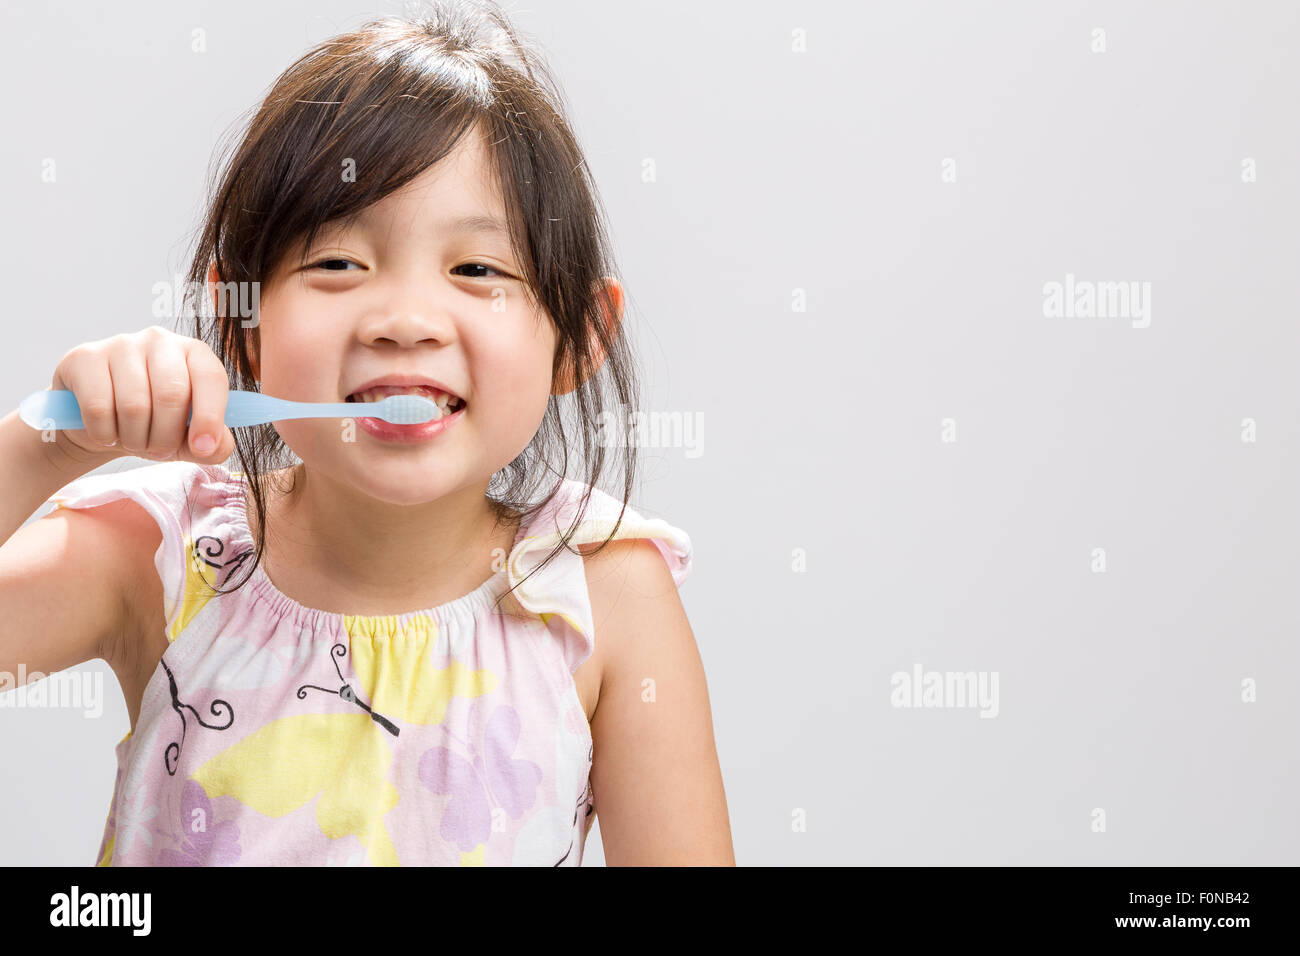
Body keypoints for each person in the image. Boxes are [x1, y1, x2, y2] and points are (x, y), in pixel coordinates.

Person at [0, 1, 733, 866]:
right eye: (338, 263)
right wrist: (46, 446)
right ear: (243, 323)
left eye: (476, 269)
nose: (407, 319)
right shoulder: (161, 555)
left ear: (576, 335)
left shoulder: (602, 597)